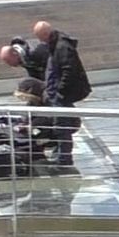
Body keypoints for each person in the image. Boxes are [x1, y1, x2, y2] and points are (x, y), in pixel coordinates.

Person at [33, 21, 90, 165]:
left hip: (60, 95)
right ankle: (61, 154)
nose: (40, 41)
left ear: (46, 34)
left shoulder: (62, 47)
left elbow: (68, 70)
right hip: (56, 93)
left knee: (61, 126)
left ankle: (64, 158)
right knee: (60, 125)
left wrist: (60, 91)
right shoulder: (56, 45)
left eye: (40, 37)